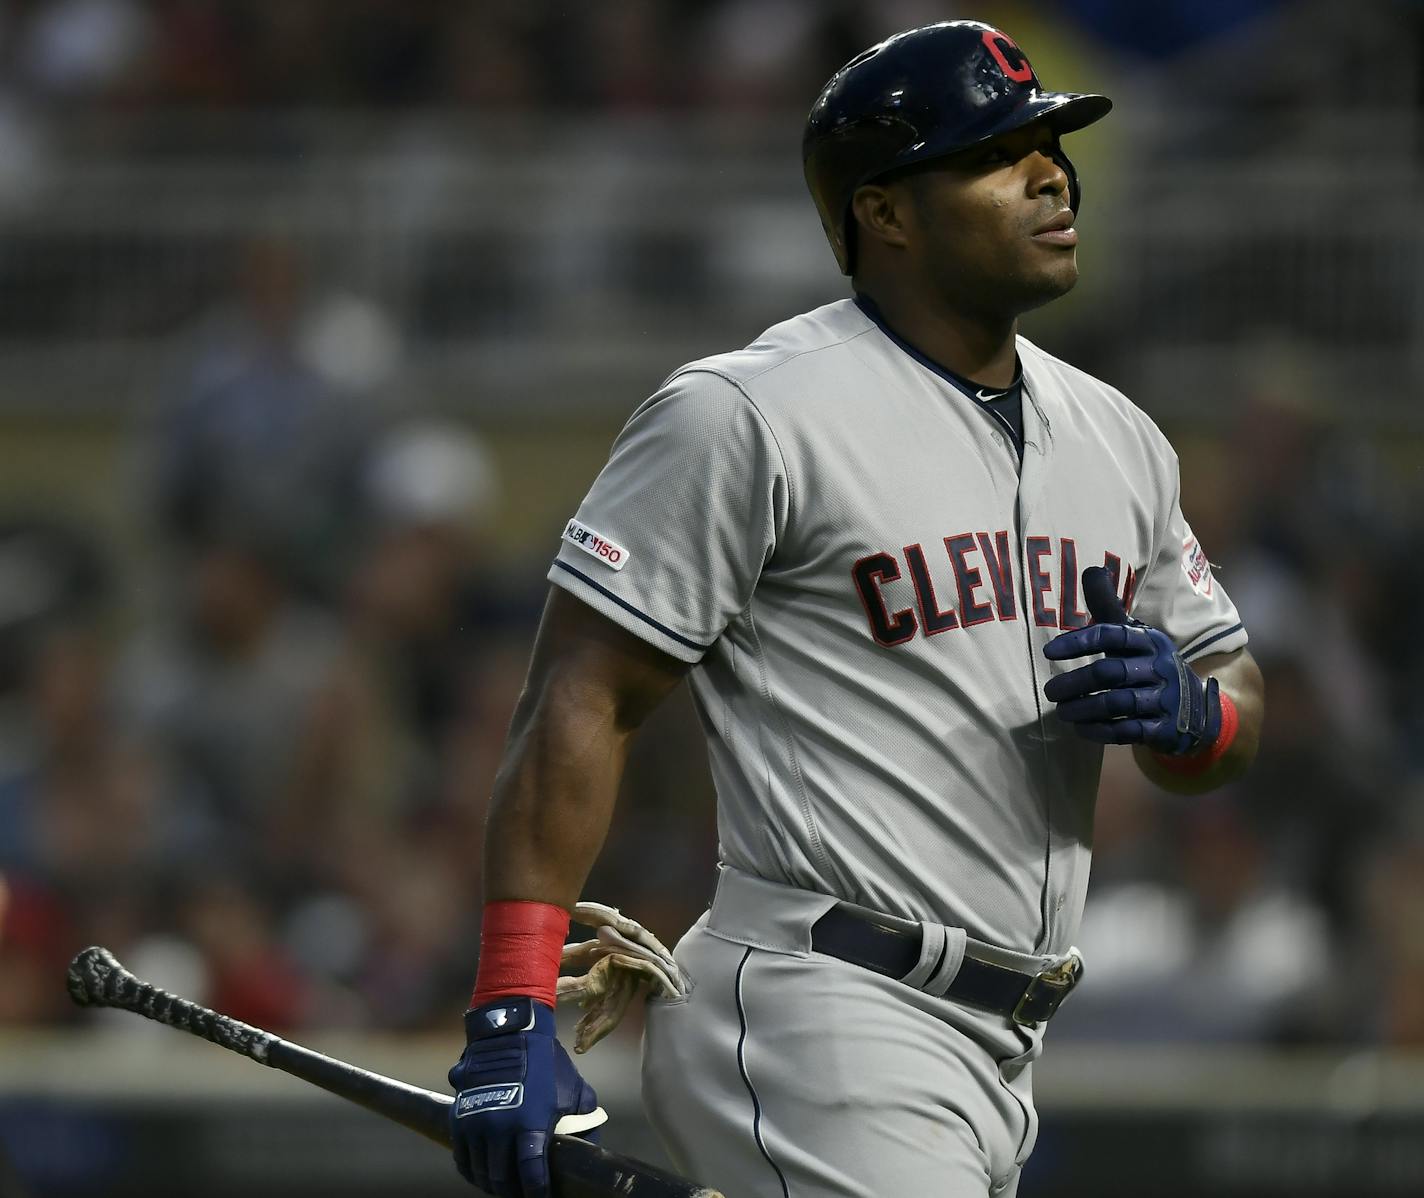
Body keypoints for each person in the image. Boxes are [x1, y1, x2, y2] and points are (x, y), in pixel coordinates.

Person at [445, 20, 1264, 1198]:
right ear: (882, 212)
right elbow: (582, 691)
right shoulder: (748, 412)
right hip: (820, 1004)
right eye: (998, 152)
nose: (1050, 173)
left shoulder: (1119, 437)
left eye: (1050, 144)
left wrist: (1198, 716)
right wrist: (511, 1002)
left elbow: (1237, 699)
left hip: (1004, 1041)